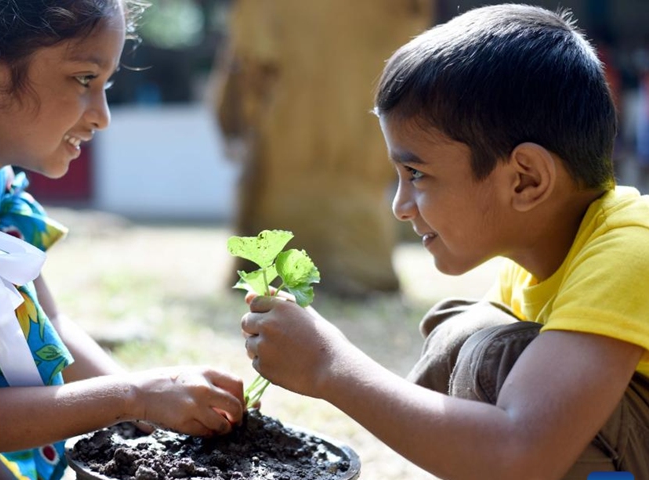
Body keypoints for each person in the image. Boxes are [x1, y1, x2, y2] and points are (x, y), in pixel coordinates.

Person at [241, 4, 649, 479]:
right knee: (459, 334)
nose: (400, 205)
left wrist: (329, 366)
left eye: (416, 174)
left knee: (492, 356)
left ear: (525, 180)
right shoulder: (540, 256)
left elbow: (519, 453)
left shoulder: (631, 253)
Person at [0, 1, 245, 479]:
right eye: (83, 79)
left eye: (107, 84)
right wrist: (134, 396)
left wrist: (155, 410)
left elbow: (51, 321)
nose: (102, 116)